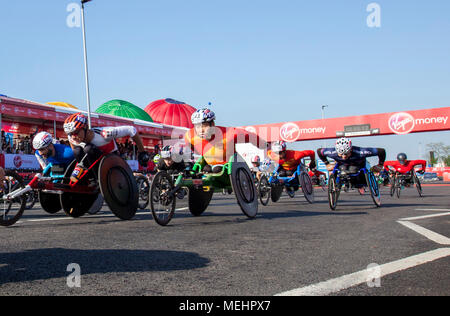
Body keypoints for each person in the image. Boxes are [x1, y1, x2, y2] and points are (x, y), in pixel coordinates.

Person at [63, 112, 149, 182]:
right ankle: (90, 177)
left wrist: (142, 152)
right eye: (70, 133)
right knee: (77, 151)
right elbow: (74, 149)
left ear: (85, 127)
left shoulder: (106, 133)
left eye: (76, 132)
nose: (73, 136)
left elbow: (131, 130)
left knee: (88, 149)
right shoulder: (72, 138)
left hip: (111, 158)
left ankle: (98, 178)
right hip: (93, 163)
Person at [184, 108, 265, 173]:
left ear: (212, 124)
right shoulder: (189, 136)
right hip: (208, 166)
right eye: (197, 127)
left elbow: (249, 135)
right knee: (204, 169)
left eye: (204, 126)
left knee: (217, 169)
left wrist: (261, 144)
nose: (201, 130)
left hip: (229, 168)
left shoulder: (229, 133)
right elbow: (193, 147)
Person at [317, 137, 386, 194]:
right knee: (338, 169)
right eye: (341, 154)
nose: (343, 156)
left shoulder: (361, 152)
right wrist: (327, 164)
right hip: (342, 165)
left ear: (351, 150)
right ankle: (336, 185)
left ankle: (360, 184)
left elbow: (381, 151)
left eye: (346, 154)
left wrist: (380, 165)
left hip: (359, 165)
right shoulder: (331, 152)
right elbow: (319, 151)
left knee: (360, 175)